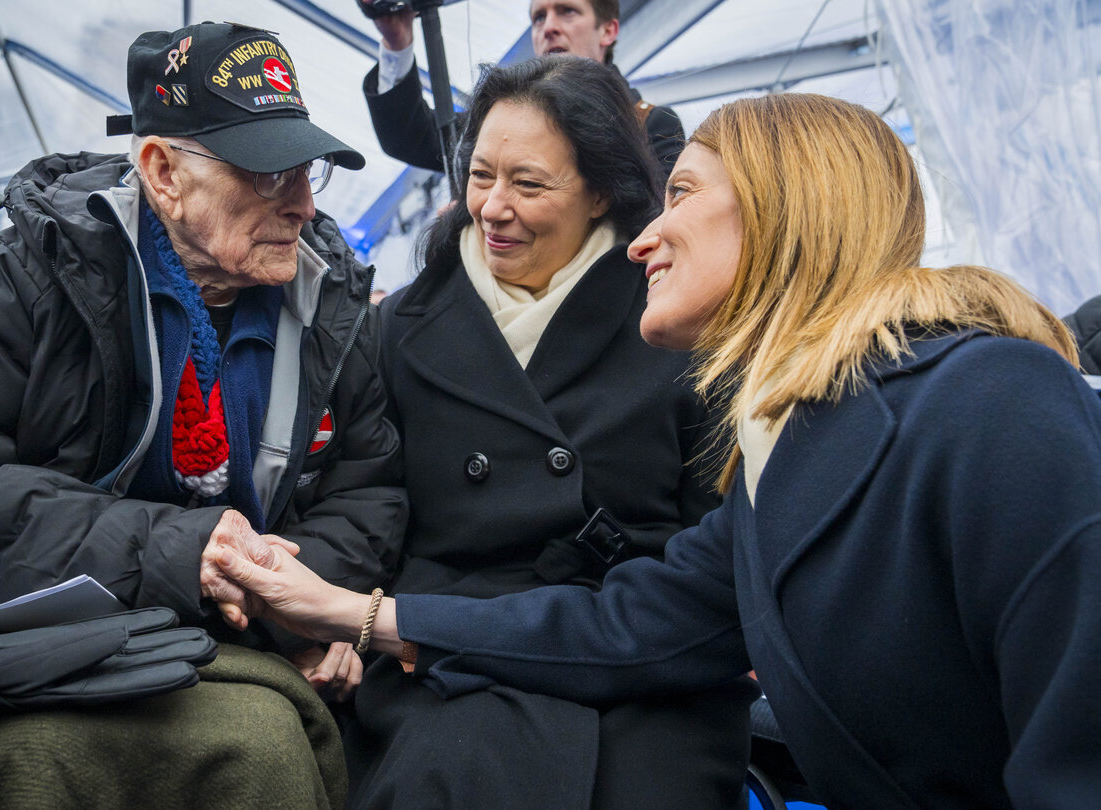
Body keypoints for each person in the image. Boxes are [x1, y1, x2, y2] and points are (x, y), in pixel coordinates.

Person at [206, 93, 1101, 808]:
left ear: (791, 207)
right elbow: (612, 627)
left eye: (679, 194)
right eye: (481, 177)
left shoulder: (993, 401)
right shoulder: (771, 471)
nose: (641, 239)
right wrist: (346, 611)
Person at [0, 21, 408, 808]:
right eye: (268, 175)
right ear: (163, 172)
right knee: (35, 762)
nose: (301, 204)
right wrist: (184, 551)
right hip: (42, 655)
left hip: (245, 644)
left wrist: (302, 605)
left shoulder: (332, 301)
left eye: (308, 172)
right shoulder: (28, 278)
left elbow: (369, 489)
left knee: (261, 747)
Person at [262, 55, 749, 810]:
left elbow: (715, 535)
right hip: (443, 655)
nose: (492, 206)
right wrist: (341, 613)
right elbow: (363, 497)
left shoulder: (676, 318)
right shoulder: (398, 329)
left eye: (527, 183)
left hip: (643, 655)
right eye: (481, 176)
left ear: (598, 193)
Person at [361, 0, 686, 179]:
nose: (549, 27)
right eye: (538, 18)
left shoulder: (653, 125)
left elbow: (656, 229)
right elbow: (411, 137)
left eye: (567, 11)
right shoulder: (503, 119)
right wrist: (397, 40)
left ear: (608, 30)